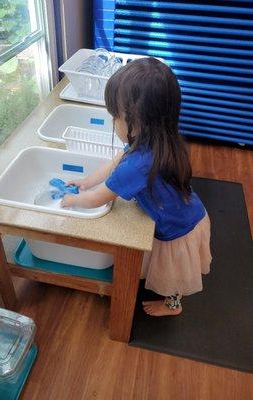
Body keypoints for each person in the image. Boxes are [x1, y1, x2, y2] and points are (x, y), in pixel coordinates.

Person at [61, 57, 212, 317]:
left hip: (178, 230)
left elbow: (99, 199)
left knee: (173, 277)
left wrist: (72, 200)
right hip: (192, 214)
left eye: (115, 117)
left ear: (137, 122)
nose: (112, 123)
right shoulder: (158, 139)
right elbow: (112, 164)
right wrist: (85, 182)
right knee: (164, 267)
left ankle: (172, 305)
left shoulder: (139, 164)